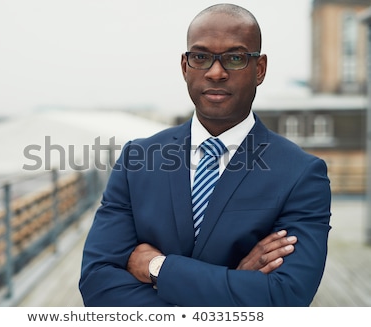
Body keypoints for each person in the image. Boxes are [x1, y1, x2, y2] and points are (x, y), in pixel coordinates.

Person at [79, 3, 331, 306]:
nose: (215, 72)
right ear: (185, 67)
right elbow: (96, 282)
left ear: (259, 69)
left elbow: (285, 297)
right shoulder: (137, 159)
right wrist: (233, 281)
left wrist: (158, 268)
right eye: (201, 57)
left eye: (235, 58)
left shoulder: (301, 174)